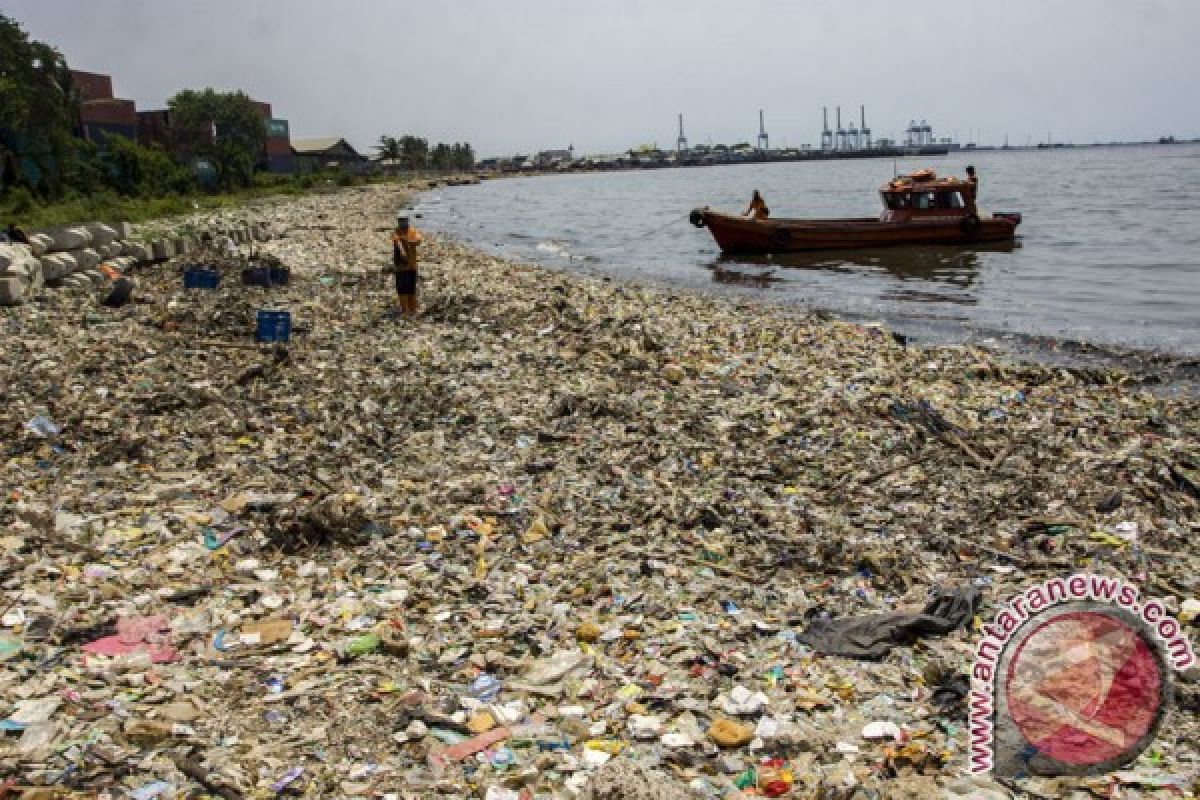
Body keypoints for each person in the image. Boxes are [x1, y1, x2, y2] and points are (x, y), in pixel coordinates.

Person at [390, 212, 423, 316]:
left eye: (403, 220)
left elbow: (418, 240)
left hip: (411, 266)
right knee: (401, 289)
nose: (402, 223)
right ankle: (404, 310)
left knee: (411, 289)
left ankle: (412, 310)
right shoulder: (396, 233)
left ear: (407, 221)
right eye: (400, 221)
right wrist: (403, 251)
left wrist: (407, 241)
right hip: (400, 267)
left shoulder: (412, 232)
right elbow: (398, 243)